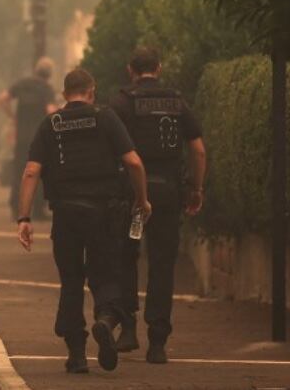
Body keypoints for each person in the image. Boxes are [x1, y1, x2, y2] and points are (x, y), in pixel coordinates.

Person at [16, 68, 151, 375]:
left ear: (64, 95)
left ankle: (76, 354)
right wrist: (141, 200)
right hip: (103, 213)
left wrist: (24, 218)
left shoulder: (50, 124)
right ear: (92, 91)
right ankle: (105, 319)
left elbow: (31, 172)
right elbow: (133, 162)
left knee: (71, 280)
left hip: (65, 214)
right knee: (106, 273)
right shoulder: (105, 118)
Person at [109, 46, 207, 364]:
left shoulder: (122, 103)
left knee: (127, 256)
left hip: (133, 196)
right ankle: (158, 341)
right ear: (159, 68)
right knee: (163, 264)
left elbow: (108, 149)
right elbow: (198, 149)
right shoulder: (177, 102)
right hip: (167, 194)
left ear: (130, 70)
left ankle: (127, 328)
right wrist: (195, 188)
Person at [0, 56, 58, 220]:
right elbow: (51, 111)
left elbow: (2, 99)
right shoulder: (47, 89)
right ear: (49, 74)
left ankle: (16, 209)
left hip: (22, 137)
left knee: (19, 172)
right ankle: (37, 210)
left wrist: (12, 117)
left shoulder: (22, 83)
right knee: (39, 173)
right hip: (39, 139)